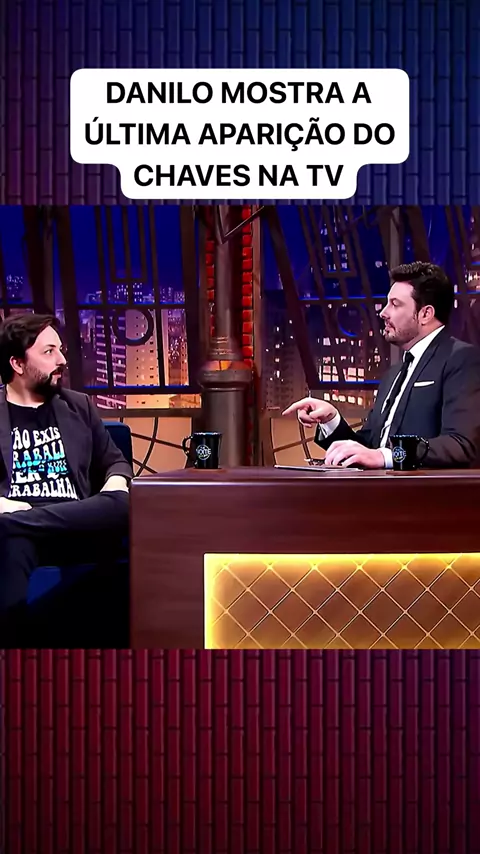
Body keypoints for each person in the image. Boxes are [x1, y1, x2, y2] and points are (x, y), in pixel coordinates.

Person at [0, 312, 132, 643]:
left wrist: (117, 482)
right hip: (23, 536)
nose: (61, 360)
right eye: (49, 352)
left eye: (60, 350)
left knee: (122, 506)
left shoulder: (79, 406)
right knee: (11, 543)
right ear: (17, 363)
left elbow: (115, 461)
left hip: (75, 522)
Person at [283, 262, 480, 469]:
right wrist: (331, 419)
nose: (384, 313)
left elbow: (461, 445)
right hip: (378, 488)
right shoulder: (393, 375)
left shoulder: (462, 360)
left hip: (424, 490)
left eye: (395, 304)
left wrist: (388, 456)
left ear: (425, 314)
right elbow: (369, 449)